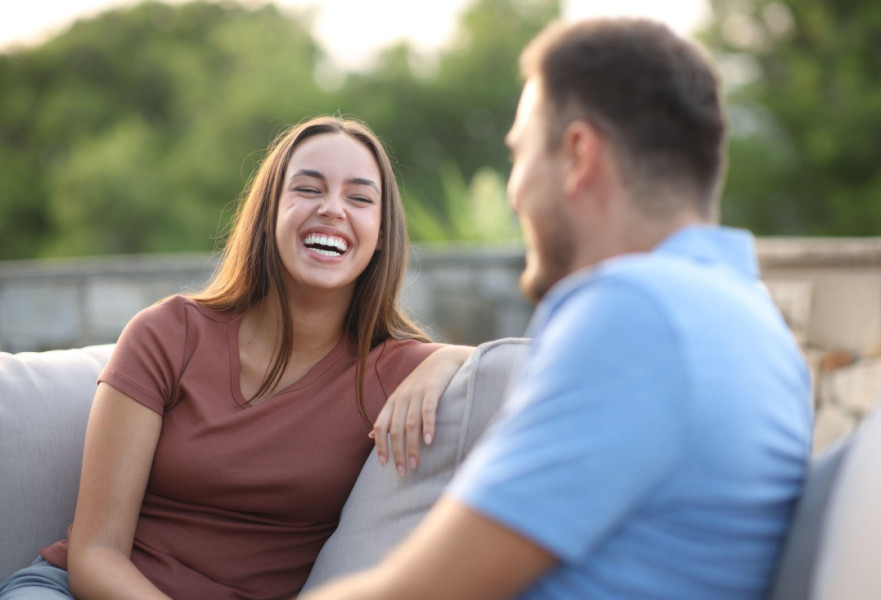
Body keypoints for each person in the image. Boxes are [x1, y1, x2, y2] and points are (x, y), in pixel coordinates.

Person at [303, 17, 812, 600]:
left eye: (519, 155)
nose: (514, 189)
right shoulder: (754, 321)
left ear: (577, 154)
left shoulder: (636, 314)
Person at [0, 116, 473, 599]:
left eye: (359, 197)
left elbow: (519, 370)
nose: (333, 209)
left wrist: (449, 360)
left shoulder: (397, 370)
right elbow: (95, 554)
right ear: (268, 212)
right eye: (308, 189)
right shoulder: (168, 334)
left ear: (381, 233)